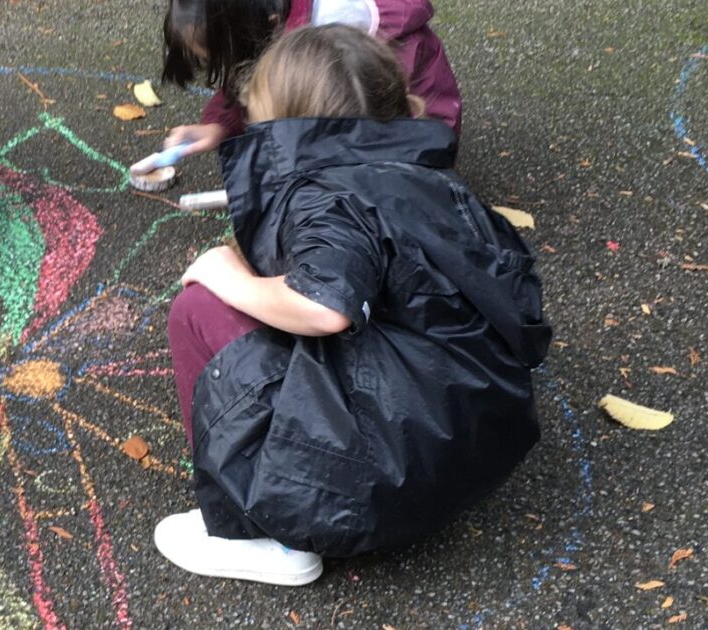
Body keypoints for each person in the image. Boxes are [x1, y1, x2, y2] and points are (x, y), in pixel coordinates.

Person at [156, 25, 550, 586]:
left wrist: (227, 276)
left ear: (283, 115)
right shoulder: (420, 170)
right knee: (267, 292)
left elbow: (324, 307)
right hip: (469, 448)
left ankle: (257, 532)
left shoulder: (324, 194)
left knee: (200, 308)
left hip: (380, 483)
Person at [157, 0, 461, 158]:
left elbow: (419, 136)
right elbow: (252, 70)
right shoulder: (268, 15)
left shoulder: (342, 41)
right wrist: (219, 124)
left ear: (266, 26)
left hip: (409, 141)